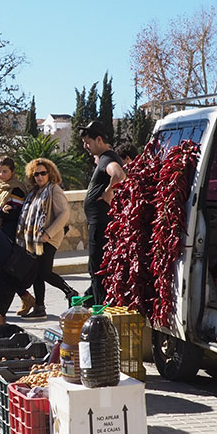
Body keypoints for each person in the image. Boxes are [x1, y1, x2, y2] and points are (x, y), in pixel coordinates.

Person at [16, 158, 79, 319]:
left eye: (43, 173)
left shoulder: (54, 190)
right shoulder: (34, 193)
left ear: (50, 173)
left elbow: (64, 214)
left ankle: (70, 292)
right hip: (34, 240)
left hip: (47, 240)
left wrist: (48, 234)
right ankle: (39, 308)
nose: (39, 177)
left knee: (44, 272)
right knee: (37, 273)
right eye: (36, 174)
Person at [81, 121, 126, 305]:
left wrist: (109, 190)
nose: (85, 147)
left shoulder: (108, 158)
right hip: (100, 225)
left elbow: (118, 174)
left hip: (101, 227)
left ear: (99, 140)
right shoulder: (105, 157)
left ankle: (101, 314)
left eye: (88, 142)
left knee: (98, 271)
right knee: (98, 271)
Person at [0, 156, 34, 314]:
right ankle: (24, 296)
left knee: (7, 269)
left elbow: (15, 211)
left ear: (12, 172)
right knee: (2, 269)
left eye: (4, 171)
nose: (1, 174)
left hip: (11, 233)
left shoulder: (16, 188)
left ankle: (24, 296)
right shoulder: (0, 187)